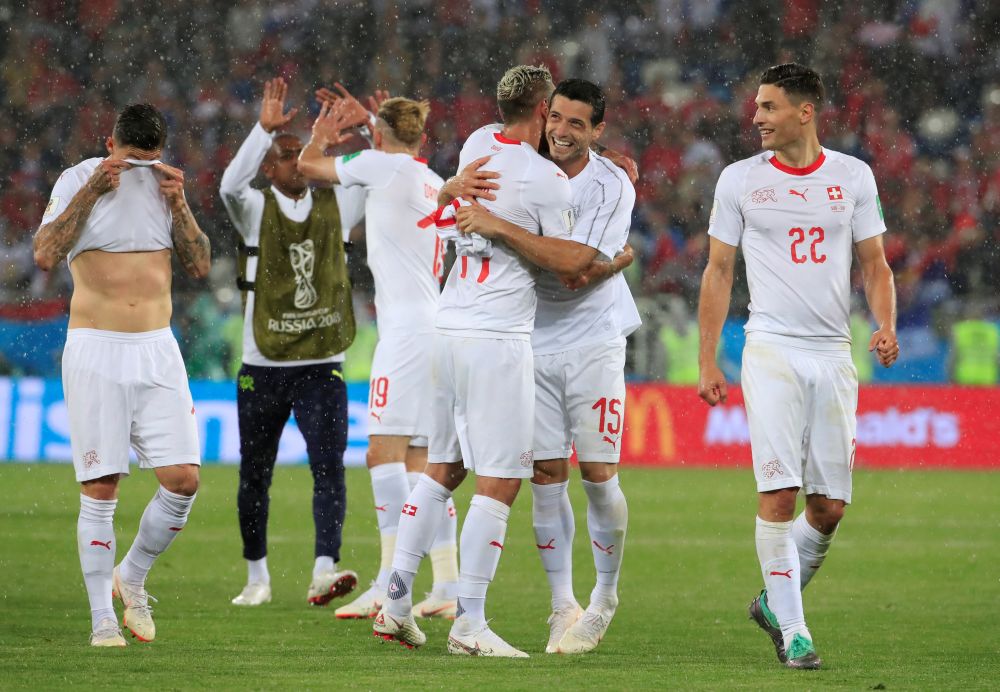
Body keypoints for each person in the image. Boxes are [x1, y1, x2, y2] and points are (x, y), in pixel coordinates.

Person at [371, 64, 597, 657]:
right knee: (500, 479)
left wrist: (461, 200)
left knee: (443, 468)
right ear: (544, 109)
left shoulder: (476, 144)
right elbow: (569, 262)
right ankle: (469, 625)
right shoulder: (547, 181)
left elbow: (451, 207)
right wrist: (504, 228)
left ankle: (395, 603)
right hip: (496, 338)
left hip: (446, 327)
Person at [697, 63, 899, 669]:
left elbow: (875, 265)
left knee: (828, 508)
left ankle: (774, 604)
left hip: (833, 353)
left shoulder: (852, 176)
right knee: (779, 494)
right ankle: (795, 633)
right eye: (757, 107)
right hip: (773, 349)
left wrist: (885, 324)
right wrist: (708, 360)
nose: (756, 117)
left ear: (804, 112)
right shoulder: (738, 181)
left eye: (768, 107)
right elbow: (719, 271)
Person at [454, 78, 639, 655]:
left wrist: (501, 230)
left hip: (592, 341)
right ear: (543, 113)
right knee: (545, 477)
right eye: (555, 117)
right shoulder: (512, 155)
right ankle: (563, 605)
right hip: (529, 338)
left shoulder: (611, 185)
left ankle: (605, 595)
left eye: (577, 124)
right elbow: (483, 151)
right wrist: (453, 188)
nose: (561, 131)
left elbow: (574, 272)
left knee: (599, 478)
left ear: (598, 132)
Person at [33, 103, 210, 646]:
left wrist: (179, 205)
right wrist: (91, 192)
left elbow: (200, 263)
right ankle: (101, 620)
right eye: (132, 158)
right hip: (97, 350)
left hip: (157, 349)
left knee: (183, 481)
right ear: (109, 144)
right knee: (102, 488)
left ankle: (130, 577)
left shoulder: (165, 187)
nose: (138, 167)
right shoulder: (77, 178)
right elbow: (44, 253)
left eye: (147, 159)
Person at [297, 87, 460, 621]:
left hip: (406, 334)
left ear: (382, 136)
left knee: (381, 455)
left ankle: (390, 583)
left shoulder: (379, 166)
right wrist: (373, 122)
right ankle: (449, 584)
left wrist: (325, 134)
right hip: (438, 325)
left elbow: (308, 167)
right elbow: (390, 155)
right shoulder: (429, 178)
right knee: (422, 463)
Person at [219, 78, 363, 608]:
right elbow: (228, 187)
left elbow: (379, 178)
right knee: (254, 473)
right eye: (284, 156)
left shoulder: (339, 205)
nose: (295, 162)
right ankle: (257, 576)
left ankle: (325, 569)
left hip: (322, 359)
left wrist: (369, 128)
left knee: (329, 467)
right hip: (265, 362)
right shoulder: (254, 209)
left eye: (300, 154)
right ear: (269, 168)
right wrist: (263, 130)